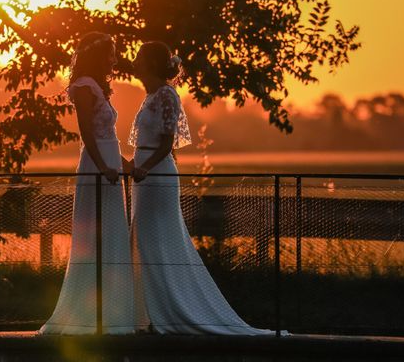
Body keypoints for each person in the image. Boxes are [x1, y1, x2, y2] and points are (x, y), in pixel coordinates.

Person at [129, 41, 278, 335]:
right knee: (142, 237)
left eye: (138, 57)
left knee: (154, 237)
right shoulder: (149, 97)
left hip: (156, 175)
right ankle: (149, 313)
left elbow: (167, 142)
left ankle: (166, 313)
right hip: (142, 173)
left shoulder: (167, 95)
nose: (133, 62)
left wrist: (145, 167)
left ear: (150, 63)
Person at [39, 32, 135, 334]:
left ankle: (112, 310)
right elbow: (88, 134)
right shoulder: (83, 88)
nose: (115, 60)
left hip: (109, 163)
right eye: (111, 54)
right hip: (96, 165)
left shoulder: (99, 88)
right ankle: (86, 312)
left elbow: (108, 136)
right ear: (97, 56)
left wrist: (124, 163)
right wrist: (105, 166)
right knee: (95, 235)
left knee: (113, 231)